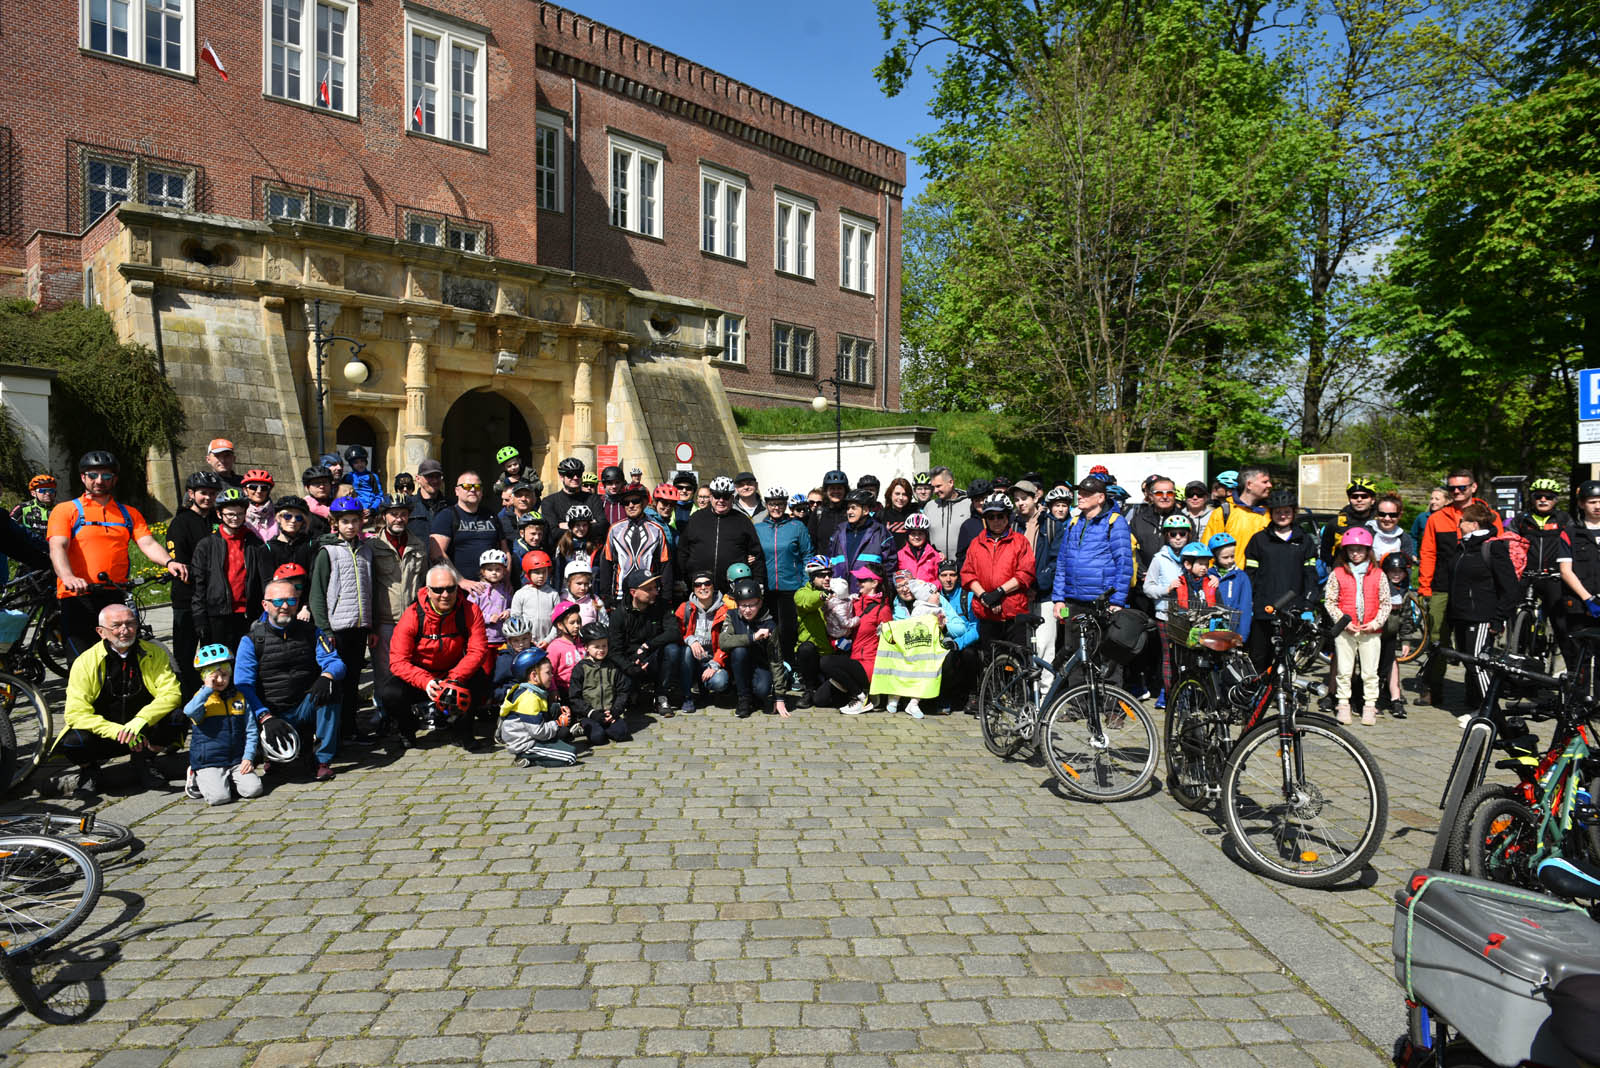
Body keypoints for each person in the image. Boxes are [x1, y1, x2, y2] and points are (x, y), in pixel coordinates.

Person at [49, 450, 186, 656]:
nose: (99, 481)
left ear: (114, 479)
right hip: (78, 595)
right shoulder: (66, 510)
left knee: (120, 657)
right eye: (93, 475)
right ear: (83, 477)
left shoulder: (128, 513)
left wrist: (169, 562)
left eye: (106, 476)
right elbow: (58, 547)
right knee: (81, 662)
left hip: (114, 593)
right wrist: (68, 577)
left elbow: (147, 543)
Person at [49, 602, 184, 795]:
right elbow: (75, 713)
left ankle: (145, 760)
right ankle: (89, 770)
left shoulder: (155, 653)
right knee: (73, 740)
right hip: (106, 735)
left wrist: (141, 721)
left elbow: (171, 693)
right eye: (116, 625)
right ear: (101, 631)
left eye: (130, 624)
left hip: (142, 732)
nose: (125, 630)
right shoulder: (85, 662)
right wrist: (116, 731)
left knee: (177, 717)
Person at [235, 579, 346, 779]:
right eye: (278, 602)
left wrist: (326, 676)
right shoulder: (250, 640)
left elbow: (336, 663)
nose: (285, 607)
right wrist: (265, 717)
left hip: (304, 706)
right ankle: (271, 755)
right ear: (265, 605)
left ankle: (322, 760)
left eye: (291, 601)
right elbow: (243, 684)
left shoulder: (312, 632)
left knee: (332, 688)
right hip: (271, 712)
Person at [380, 565, 492, 750]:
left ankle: (462, 730)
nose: (445, 594)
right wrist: (426, 682)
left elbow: (478, 650)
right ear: (428, 590)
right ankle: (407, 729)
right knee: (390, 693)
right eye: (438, 590)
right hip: (420, 676)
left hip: (453, 673)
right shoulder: (412, 615)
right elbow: (398, 661)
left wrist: (454, 678)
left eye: (450, 588)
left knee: (480, 680)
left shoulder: (470, 610)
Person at [1419, 469, 1502, 707]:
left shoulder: (1489, 516)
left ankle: (1474, 693)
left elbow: (1499, 551)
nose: (1456, 492)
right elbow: (1428, 553)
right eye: (1452, 488)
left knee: (1471, 644)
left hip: (1475, 590)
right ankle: (1433, 687)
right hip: (1442, 588)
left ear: (1473, 487)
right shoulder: (1437, 518)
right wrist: (1425, 587)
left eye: (1461, 488)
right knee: (1437, 639)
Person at [309, 497, 375, 740]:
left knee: (353, 680)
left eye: (355, 521)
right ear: (335, 523)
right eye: (345, 521)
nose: (350, 526)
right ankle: (332, 732)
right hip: (336, 628)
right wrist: (324, 630)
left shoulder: (366, 551)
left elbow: (371, 589)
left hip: (359, 626)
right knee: (336, 680)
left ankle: (350, 727)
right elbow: (317, 593)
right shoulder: (328, 552)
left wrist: (371, 625)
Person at [1445, 501, 1519, 719]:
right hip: (1461, 615)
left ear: (1474, 524)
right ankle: (1478, 705)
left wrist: (1498, 619)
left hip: (1481, 617)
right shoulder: (1463, 546)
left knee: (1479, 663)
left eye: (1463, 521)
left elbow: (1510, 588)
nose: (1459, 524)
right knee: (1470, 663)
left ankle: (1491, 712)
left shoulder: (1492, 547)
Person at [1243, 491, 1321, 669]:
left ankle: (1283, 695)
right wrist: (1250, 603)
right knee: (1259, 658)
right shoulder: (1259, 540)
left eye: (1286, 511)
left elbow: (1311, 576)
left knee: (1286, 661)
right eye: (1278, 512)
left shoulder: (1304, 541)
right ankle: (1258, 696)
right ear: (1271, 513)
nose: (1282, 516)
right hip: (1263, 610)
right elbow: (1250, 575)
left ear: (1294, 512)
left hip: (1293, 611)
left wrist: (1309, 605)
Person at [189, 488, 273, 654]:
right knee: (219, 666)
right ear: (219, 514)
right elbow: (198, 585)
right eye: (230, 514)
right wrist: (199, 617)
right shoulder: (206, 545)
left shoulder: (255, 543)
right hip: (217, 615)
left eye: (240, 514)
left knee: (248, 662)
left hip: (248, 615)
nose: (235, 519)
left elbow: (265, 580)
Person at [369, 493, 428, 727]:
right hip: (385, 619)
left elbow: (424, 584)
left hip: (412, 620)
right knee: (384, 672)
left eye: (403, 514)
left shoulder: (418, 545)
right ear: (385, 516)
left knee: (412, 668)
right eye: (394, 514)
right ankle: (384, 712)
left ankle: (410, 714)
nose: (399, 518)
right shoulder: (372, 547)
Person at [182, 643, 264, 805]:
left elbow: (251, 731)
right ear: (205, 677)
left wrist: (248, 757)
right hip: (210, 761)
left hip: (236, 759)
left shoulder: (239, 698)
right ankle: (195, 774)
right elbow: (189, 711)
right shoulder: (202, 699)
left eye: (225, 675)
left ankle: (229, 780)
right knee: (219, 798)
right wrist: (207, 689)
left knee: (254, 790)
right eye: (214, 677)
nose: (220, 680)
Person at [1323, 527, 1388, 726]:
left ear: (1368, 550)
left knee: (1370, 671)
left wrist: (1376, 623)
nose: (1356, 553)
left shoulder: (1378, 574)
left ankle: (1370, 705)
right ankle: (1343, 704)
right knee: (1344, 669)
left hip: (1371, 630)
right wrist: (1344, 622)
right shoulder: (1338, 573)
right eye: (1352, 550)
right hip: (1346, 631)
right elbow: (1330, 602)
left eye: (1360, 549)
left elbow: (1385, 602)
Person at [167, 470, 221, 693]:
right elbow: (180, 562)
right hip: (187, 597)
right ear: (191, 493)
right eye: (202, 493)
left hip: (213, 598)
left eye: (211, 493)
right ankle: (187, 696)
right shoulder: (181, 522)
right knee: (185, 653)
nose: (207, 497)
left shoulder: (216, 519)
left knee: (212, 651)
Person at [962, 493, 1037, 652]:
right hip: (986, 613)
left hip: (1013, 613)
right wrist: (984, 596)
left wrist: (999, 592)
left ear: (1007, 517)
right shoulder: (976, 543)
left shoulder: (1020, 541)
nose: (996, 521)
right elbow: (968, 574)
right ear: (985, 519)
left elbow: (1025, 573)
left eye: (1000, 516)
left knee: (1016, 663)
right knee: (991, 664)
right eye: (991, 517)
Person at [816, 567, 891, 715]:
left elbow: (889, 643)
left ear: (874, 583)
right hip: (851, 661)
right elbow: (838, 630)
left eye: (863, 580)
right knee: (820, 699)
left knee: (826, 662)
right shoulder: (852, 603)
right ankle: (859, 691)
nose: (858, 583)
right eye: (858, 580)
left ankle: (861, 697)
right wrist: (836, 643)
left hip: (869, 665)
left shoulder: (883, 609)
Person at [1515, 478, 1574, 667]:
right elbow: (1510, 544)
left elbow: (1572, 546)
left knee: (1560, 624)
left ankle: (1572, 671)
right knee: (1516, 614)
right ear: (1531, 498)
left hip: (1553, 576)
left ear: (1555, 500)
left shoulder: (1564, 520)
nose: (1543, 500)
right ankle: (1515, 659)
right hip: (1527, 574)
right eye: (1538, 496)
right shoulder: (1521, 519)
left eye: (1548, 497)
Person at [606, 571, 679, 717]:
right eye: (649, 589)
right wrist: (630, 667)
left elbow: (674, 632)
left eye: (655, 587)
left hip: (653, 656)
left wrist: (649, 645)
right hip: (630, 661)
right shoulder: (619, 614)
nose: (655, 592)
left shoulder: (661, 605)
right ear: (633, 592)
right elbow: (614, 650)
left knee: (673, 649)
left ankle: (661, 697)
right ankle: (631, 693)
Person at [754, 484, 813, 662]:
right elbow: (753, 554)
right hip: (768, 588)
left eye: (780, 503)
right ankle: (773, 668)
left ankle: (792, 667)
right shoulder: (759, 528)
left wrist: (804, 583)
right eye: (772, 504)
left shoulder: (797, 527)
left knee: (789, 630)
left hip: (792, 588)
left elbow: (807, 555)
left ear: (786, 504)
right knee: (769, 630)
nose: (776, 507)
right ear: (766, 505)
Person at [497, 646, 581, 768]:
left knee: (556, 710)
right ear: (534, 676)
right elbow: (538, 732)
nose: (552, 675)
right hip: (526, 743)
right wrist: (558, 723)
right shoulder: (529, 699)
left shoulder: (532, 690)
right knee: (570, 756)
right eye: (548, 672)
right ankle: (526, 756)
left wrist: (559, 711)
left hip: (532, 733)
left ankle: (549, 746)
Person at [1142, 514, 1196, 705]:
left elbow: (1205, 574)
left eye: (1182, 533)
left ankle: (1186, 694)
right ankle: (1168, 692)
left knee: (1187, 657)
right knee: (1169, 656)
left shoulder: (1195, 555)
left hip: (1190, 614)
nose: (1178, 537)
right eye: (1173, 534)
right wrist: (1166, 589)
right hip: (1165, 614)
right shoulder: (1159, 559)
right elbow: (1147, 587)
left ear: (1189, 535)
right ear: (1166, 536)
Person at [720, 577, 791, 718]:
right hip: (737, 664)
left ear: (760, 603)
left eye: (752, 605)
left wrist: (780, 698)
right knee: (739, 651)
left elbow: (776, 660)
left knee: (762, 690)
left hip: (760, 665)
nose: (747, 610)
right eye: (743, 605)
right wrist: (752, 637)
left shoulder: (769, 624)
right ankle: (743, 699)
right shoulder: (731, 615)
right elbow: (723, 642)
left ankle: (756, 695)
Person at [679, 477, 764, 595]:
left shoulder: (743, 521)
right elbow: (683, 551)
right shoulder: (696, 518)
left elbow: (756, 554)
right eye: (717, 496)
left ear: (732, 498)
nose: (721, 500)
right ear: (711, 497)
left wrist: (759, 582)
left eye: (726, 496)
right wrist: (682, 578)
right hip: (700, 587)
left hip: (732, 589)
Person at [595, 483, 674, 605]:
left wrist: (666, 596)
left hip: (648, 595)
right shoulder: (614, 529)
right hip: (620, 596)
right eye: (626, 503)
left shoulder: (657, 530)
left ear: (644, 502)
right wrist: (606, 596)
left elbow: (665, 565)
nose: (631, 505)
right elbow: (606, 563)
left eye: (635, 501)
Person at [431, 470, 507, 594]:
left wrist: (507, 580)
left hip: (493, 591)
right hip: (460, 591)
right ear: (457, 491)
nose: (472, 490)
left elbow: (505, 551)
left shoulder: (491, 515)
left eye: (477, 486)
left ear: (481, 492)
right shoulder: (446, 516)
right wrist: (461, 581)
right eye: (466, 486)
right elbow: (437, 554)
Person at [674, 570, 731, 714]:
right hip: (691, 661)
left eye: (707, 583)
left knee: (720, 682)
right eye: (698, 585)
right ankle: (687, 697)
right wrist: (691, 639)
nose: (703, 588)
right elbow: (675, 632)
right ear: (693, 588)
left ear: (713, 586)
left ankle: (704, 688)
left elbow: (727, 640)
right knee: (686, 650)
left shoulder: (725, 610)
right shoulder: (685, 608)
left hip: (713, 660)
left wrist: (715, 663)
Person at [568, 622, 633, 742]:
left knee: (622, 734)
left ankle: (605, 727)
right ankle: (583, 727)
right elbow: (574, 697)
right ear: (586, 647)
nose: (601, 650)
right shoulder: (580, 669)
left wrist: (615, 711)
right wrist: (591, 713)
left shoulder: (613, 667)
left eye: (604, 646)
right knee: (598, 738)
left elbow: (623, 691)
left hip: (610, 712)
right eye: (596, 647)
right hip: (590, 714)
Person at [1559, 482, 1600, 671]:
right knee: (1579, 661)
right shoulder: (1570, 533)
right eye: (1592, 502)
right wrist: (1588, 599)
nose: (1597, 506)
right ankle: (1578, 700)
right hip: (1578, 605)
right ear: (1582, 504)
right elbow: (1566, 570)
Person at [790, 556, 834, 711]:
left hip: (830, 653)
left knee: (823, 700)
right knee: (806, 648)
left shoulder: (838, 591)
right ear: (812, 577)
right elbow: (807, 601)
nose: (827, 578)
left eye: (829, 574)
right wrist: (823, 596)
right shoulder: (802, 593)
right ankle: (808, 689)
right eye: (822, 575)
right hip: (812, 653)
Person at [1201, 465, 1273, 557]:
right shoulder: (1223, 513)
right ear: (1249, 484)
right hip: (1232, 571)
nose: (1270, 485)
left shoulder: (1271, 513)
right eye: (1265, 482)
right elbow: (1207, 551)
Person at [829, 488, 891, 593]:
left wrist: (885, 592)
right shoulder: (839, 532)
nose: (849, 512)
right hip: (841, 598)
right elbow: (831, 563)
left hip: (869, 598)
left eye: (853, 508)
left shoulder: (880, 533)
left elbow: (890, 567)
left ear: (866, 510)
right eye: (848, 508)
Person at [1320, 476, 1381, 566]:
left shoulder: (1380, 523)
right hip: (1343, 574)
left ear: (1372, 500)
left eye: (1364, 496)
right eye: (1355, 496)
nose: (1359, 499)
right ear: (1349, 499)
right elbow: (1325, 553)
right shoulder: (1335, 524)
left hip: (1373, 574)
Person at [264, 495, 317, 582]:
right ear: (279, 518)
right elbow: (266, 584)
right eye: (287, 516)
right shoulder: (267, 549)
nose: (293, 520)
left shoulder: (311, 545)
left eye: (298, 518)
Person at [511, 550, 560, 644]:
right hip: (526, 643)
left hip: (549, 642)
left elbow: (558, 622)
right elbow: (516, 619)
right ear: (528, 573)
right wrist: (526, 639)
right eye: (537, 572)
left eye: (544, 572)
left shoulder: (553, 594)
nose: (541, 576)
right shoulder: (520, 594)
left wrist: (548, 640)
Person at [471, 549, 515, 647]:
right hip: (483, 638)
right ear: (483, 572)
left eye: (498, 569)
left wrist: (508, 612)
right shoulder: (478, 590)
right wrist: (488, 618)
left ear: (504, 571)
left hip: (503, 638)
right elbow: (469, 613)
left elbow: (513, 606)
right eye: (490, 569)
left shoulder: (506, 589)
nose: (494, 572)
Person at [546, 601, 586, 699]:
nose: (577, 626)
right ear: (560, 625)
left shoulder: (583, 643)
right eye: (572, 623)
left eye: (578, 622)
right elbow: (549, 672)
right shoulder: (554, 647)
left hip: (584, 690)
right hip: (564, 692)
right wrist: (553, 690)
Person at [554, 504, 604, 578]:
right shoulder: (564, 544)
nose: (581, 528)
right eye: (577, 525)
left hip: (589, 584)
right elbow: (558, 571)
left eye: (584, 525)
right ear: (571, 526)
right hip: (567, 585)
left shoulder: (595, 544)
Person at [408, 458, 452, 542]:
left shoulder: (451, 506)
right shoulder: (408, 505)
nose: (434, 480)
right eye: (429, 476)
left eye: (438, 476)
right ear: (418, 478)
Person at [1368, 493, 1418, 566]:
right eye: (1382, 514)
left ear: (1400, 515)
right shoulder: (1367, 532)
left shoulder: (1404, 538)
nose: (1387, 518)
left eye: (1392, 515)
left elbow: (1407, 567)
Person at [809, 469, 852, 553]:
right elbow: (812, 542)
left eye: (839, 488)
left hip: (846, 563)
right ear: (826, 491)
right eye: (832, 488)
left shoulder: (851, 511)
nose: (836, 491)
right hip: (824, 563)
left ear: (845, 490)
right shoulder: (818, 513)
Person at [897, 513, 940, 583]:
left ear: (926, 535)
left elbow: (939, 579)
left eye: (920, 533)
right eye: (913, 533)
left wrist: (933, 588)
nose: (916, 537)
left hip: (928, 593)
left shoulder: (935, 555)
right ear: (908, 535)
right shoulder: (900, 555)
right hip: (906, 592)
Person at [11, 474, 56, 540]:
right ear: (33, 493)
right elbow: (8, 528)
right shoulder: (22, 508)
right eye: (42, 490)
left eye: (51, 490)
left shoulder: (60, 509)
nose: (48, 493)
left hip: (52, 547)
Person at [880, 477, 916, 549]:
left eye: (904, 494)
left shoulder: (914, 515)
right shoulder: (880, 515)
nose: (901, 498)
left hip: (908, 558)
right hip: (887, 558)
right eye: (897, 494)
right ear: (890, 495)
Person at [301, 465, 336, 534]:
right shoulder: (302, 509)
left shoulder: (339, 504)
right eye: (316, 483)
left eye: (325, 482)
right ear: (306, 488)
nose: (322, 486)